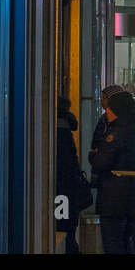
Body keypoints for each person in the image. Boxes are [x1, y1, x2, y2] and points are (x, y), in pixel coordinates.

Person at [89, 90, 135, 254]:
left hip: (113, 198)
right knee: (126, 241)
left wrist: (94, 155)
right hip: (131, 197)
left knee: (112, 242)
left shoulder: (117, 133)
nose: (107, 111)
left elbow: (100, 161)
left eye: (110, 109)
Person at [56, 97, 89, 254]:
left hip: (59, 183)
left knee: (60, 224)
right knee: (67, 224)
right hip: (68, 184)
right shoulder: (66, 127)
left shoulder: (57, 128)